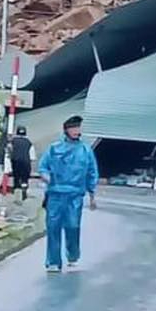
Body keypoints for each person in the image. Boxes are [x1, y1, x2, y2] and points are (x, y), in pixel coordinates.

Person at [39, 114, 98, 272]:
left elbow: (92, 173)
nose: (76, 130)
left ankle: (73, 256)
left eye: (78, 127)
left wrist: (92, 196)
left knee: (73, 226)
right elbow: (43, 167)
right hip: (55, 194)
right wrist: (46, 177)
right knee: (53, 228)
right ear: (66, 130)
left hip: (75, 195)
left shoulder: (86, 150)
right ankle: (53, 261)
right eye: (73, 127)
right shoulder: (54, 148)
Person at [9, 125, 36, 201]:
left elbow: (9, 151)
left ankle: (17, 192)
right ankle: (24, 188)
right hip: (26, 162)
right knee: (25, 177)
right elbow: (32, 156)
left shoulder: (13, 141)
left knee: (16, 176)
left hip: (15, 161)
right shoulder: (29, 142)